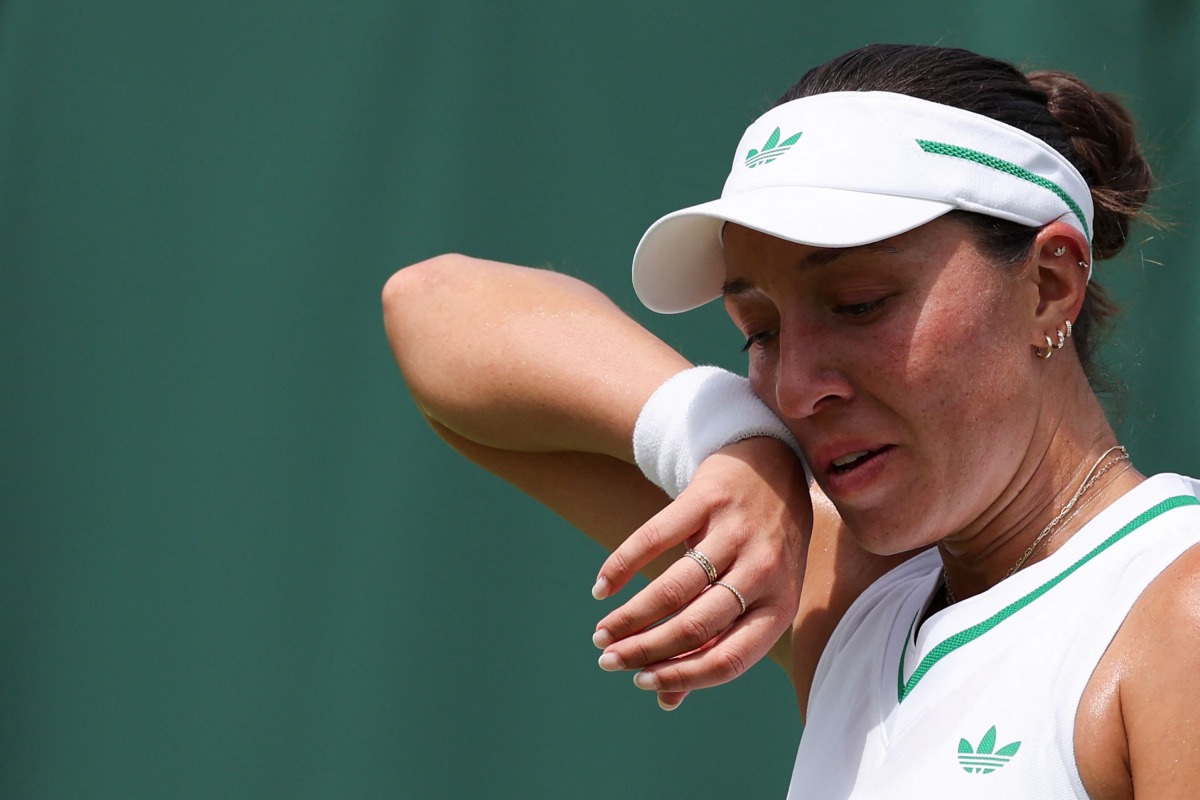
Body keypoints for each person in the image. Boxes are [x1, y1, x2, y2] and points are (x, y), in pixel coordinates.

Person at [382, 44, 1200, 798]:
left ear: (1050, 284)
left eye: (860, 303)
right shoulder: (854, 597)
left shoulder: (1179, 613)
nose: (796, 387)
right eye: (760, 331)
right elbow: (430, 308)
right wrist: (735, 446)